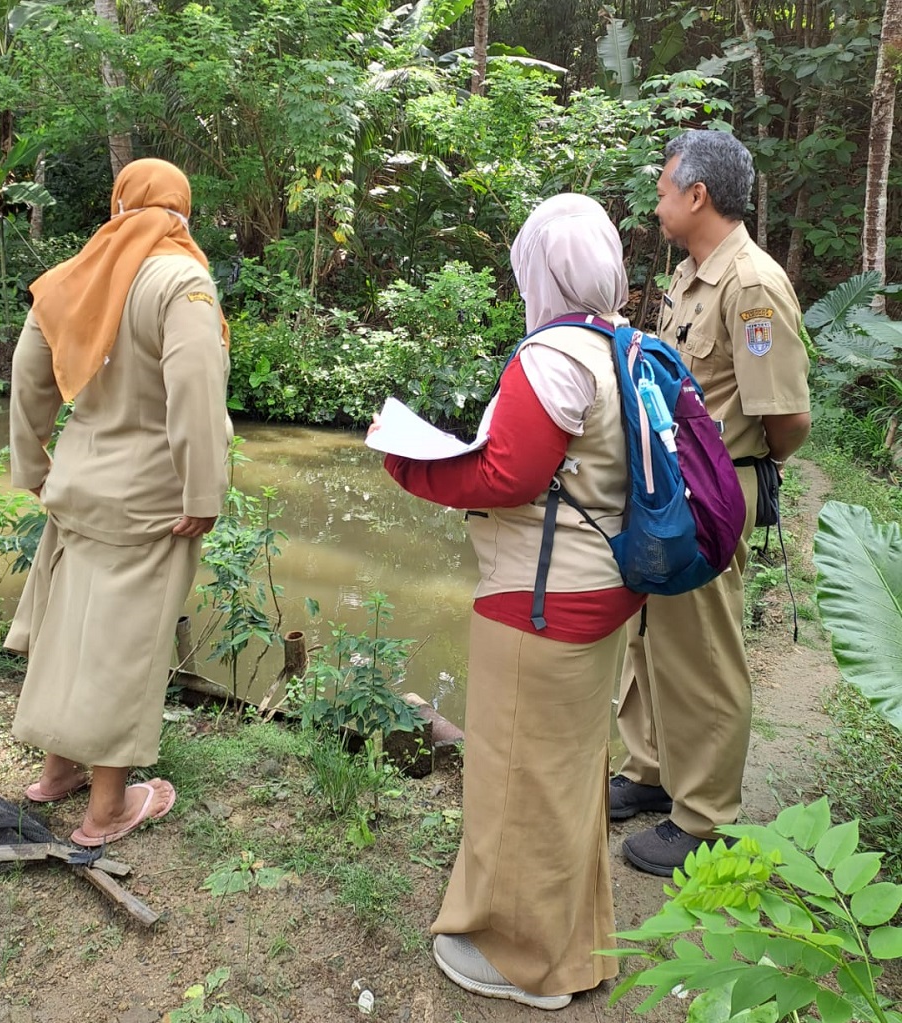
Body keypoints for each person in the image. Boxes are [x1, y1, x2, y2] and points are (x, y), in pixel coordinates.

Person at [373, 194, 641, 1009]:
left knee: (516, 777)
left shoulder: (552, 354)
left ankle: (523, 961)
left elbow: (506, 476)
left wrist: (407, 465)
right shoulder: (625, 344)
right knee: (564, 778)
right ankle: (578, 948)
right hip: (604, 590)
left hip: (540, 600)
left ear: (540, 268)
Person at [4, 158, 232, 847]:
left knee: (69, 627)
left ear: (119, 205)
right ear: (181, 213)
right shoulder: (181, 279)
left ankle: (56, 771)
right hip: (151, 498)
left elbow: (28, 371)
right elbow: (193, 389)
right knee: (124, 644)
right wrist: (203, 490)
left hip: (79, 485)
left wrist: (33, 462)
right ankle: (106, 809)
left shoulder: (77, 276)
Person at [612, 130, 812, 876]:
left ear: (697, 195)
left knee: (701, 648)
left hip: (712, 491)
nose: (658, 199)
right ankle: (651, 771)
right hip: (672, 486)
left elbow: (786, 417)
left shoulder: (750, 285)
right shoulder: (693, 275)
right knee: (649, 633)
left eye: (665, 187)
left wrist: (735, 478)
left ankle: (705, 817)